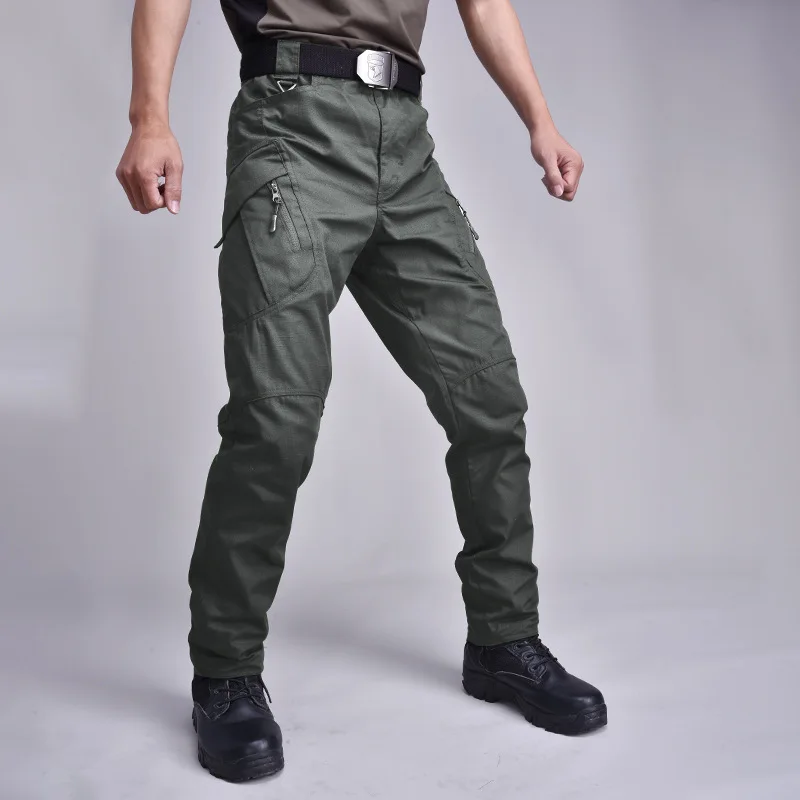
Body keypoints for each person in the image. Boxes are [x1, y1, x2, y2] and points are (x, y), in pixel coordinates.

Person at [116, 0, 606, 783]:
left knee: (488, 401)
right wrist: (150, 117)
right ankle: (226, 673)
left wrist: (539, 121)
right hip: (292, 131)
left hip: (404, 141)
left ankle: (503, 639)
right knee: (276, 418)